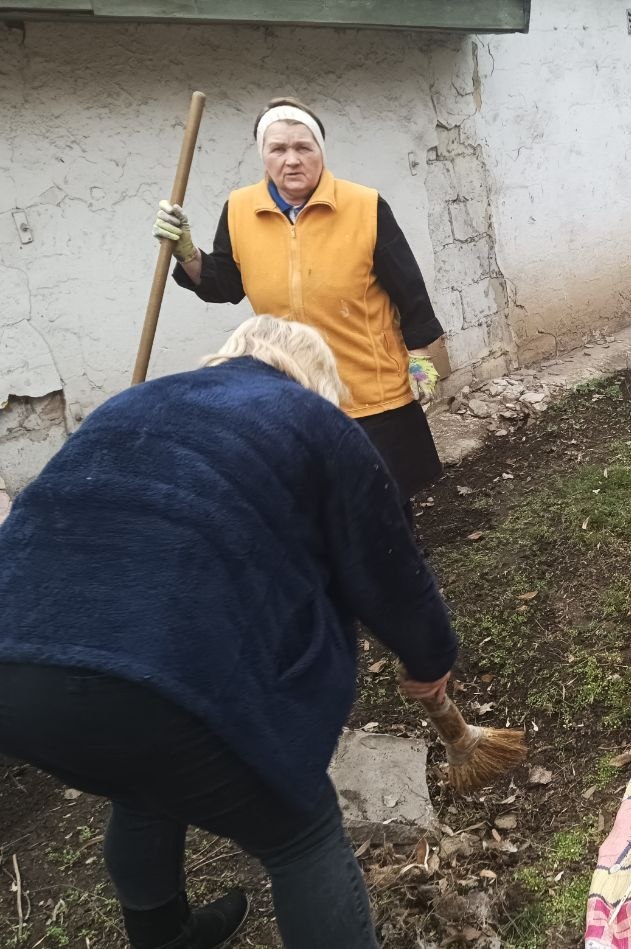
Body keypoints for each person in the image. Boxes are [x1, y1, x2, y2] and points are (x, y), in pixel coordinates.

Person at [0, 317, 458, 949]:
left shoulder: (132, 402)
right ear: (313, 379)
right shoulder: (311, 417)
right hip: (157, 669)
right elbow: (388, 563)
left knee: (141, 786)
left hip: (16, 663)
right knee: (301, 834)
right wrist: (429, 657)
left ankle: (166, 935)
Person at [153, 96, 445, 509]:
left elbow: (410, 290)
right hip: (295, 390)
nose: (292, 160)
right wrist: (187, 254)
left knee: (383, 504)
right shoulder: (239, 211)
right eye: (278, 149)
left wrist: (420, 357)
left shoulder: (364, 206)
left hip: (369, 387)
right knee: (320, 504)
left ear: (320, 153)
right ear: (264, 157)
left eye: (303, 147)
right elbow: (224, 285)